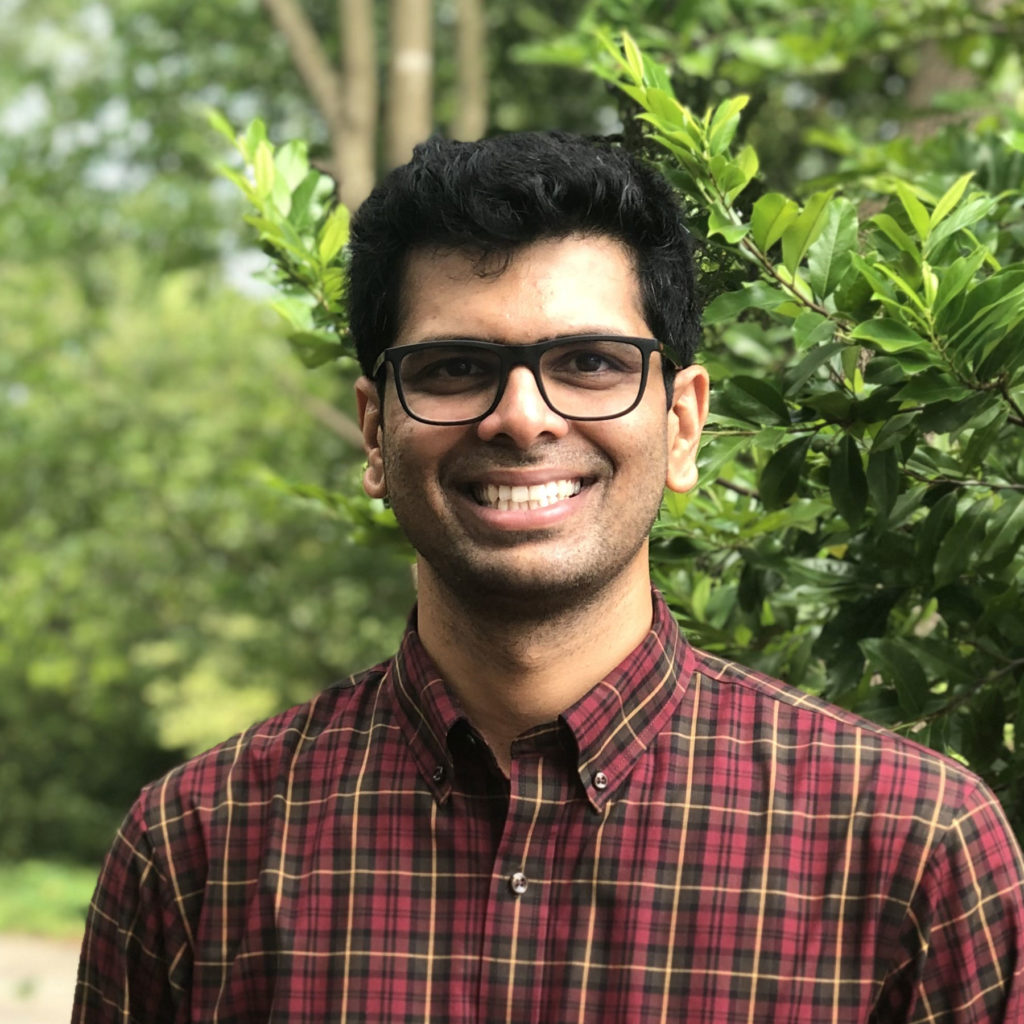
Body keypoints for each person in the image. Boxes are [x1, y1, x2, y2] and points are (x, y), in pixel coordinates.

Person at [73, 131, 1023, 1023]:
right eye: (454, 368)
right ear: (374, 431)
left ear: (684, 424)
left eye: (591, 363)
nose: (522, 418)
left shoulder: (913, 849)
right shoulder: (198, 849)